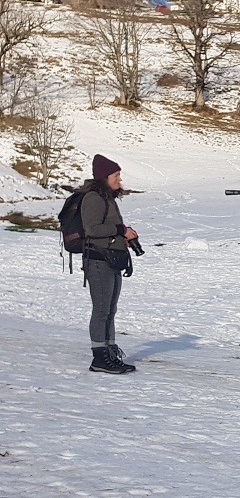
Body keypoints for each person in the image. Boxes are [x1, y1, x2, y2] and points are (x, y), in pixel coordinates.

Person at [80, 154, 139, 375]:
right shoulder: (94, 198)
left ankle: (110, 351)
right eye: (116, 175)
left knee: (110, 309)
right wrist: (120, 230)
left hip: (111, 259)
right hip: (98, 260)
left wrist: (125, 237)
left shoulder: (108, 198)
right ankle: (99, 358)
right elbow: (92, 230)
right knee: (102, 309)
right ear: (105, 177)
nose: (119, 179)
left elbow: (108, 228)